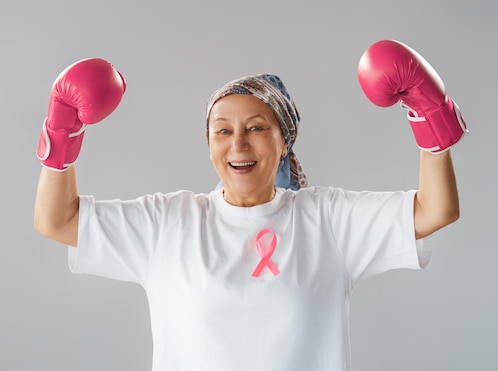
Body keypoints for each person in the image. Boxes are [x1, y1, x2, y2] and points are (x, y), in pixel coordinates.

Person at [33, 40, 466, 370]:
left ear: (283, 143)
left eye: (256, 127)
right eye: (222, 131)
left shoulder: (327, 221)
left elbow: (435, 210)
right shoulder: (168, 223)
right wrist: (62, 130)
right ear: (209, 145)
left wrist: (430, 115)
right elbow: (58, 219)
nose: (238, 143)